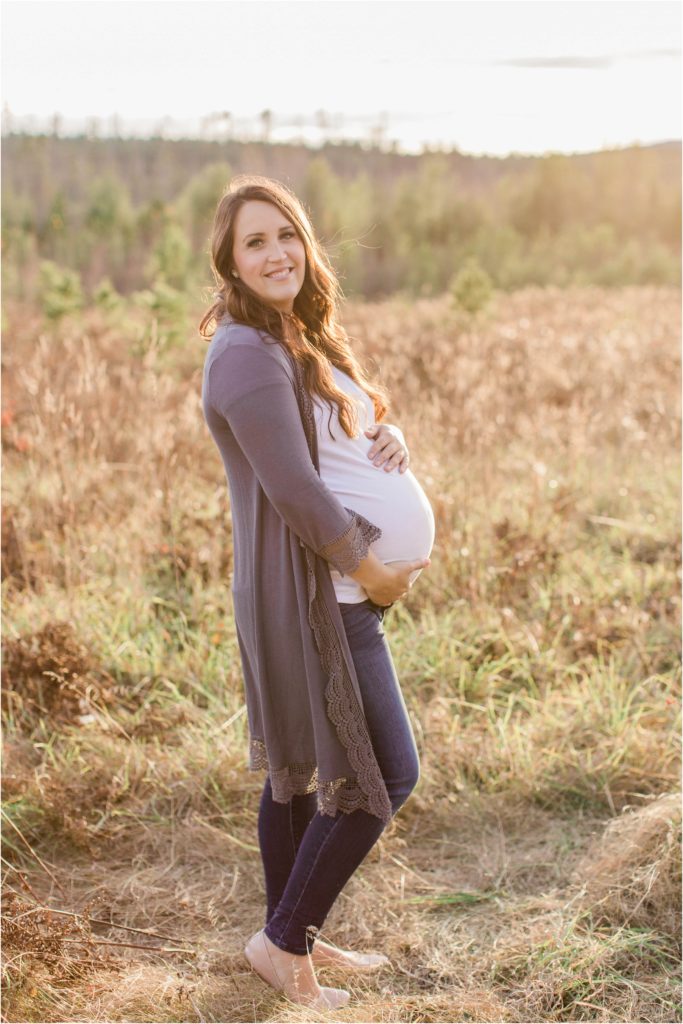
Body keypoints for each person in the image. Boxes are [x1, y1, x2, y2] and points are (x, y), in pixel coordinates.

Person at [200, 174, 434, 1010]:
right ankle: (283, 939)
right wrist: (370, 568)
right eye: (254, 241)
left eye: (286, 234)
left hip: (333, 593)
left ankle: (289, 937)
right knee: (383, 777)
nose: (276, 253)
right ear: (229, 261)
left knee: (296, 778)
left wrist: (383, 431)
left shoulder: (290, 336)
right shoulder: (243, 353)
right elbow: (294, 490)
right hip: (316, 597)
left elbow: (336, 434)